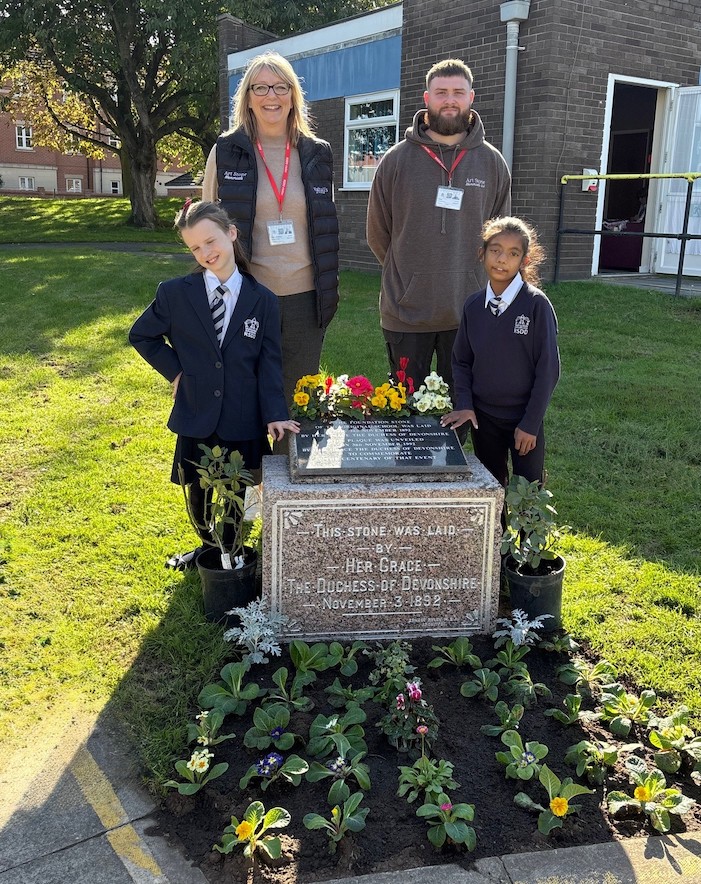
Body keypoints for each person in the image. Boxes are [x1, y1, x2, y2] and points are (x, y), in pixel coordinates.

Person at [129, 200, 299, 569]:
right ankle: (209, 546)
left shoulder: (263, 301)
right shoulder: (175, 294)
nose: (206, 252)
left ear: (231, 233)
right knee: (198, 492)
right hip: (197, 414)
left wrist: (275, 413)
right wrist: (176, 372)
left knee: (236, 489)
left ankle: (233, 549)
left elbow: (269, 363)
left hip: (242, 415)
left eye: (211, 241)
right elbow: (141, 335)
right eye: (195, 247)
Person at [202, 51, 339, 413]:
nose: (271, 96)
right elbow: (205, 228)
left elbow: (324, 225)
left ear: (293, 96)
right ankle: (251, 454)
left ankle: (289, 453)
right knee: (244, 398)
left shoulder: (317, 154)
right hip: (247, 294)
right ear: (247, 98)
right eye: (260, 88)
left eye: (280, 87)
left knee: (297, 403)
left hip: (305, 300)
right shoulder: (226, 152)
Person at [367, 58, 511, 398]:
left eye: (458, 92)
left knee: (461, 407)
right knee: (404, 409)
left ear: (471, 97)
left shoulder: (492, 162)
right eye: (441, 92)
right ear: (426, 98)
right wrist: (409, 277)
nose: (450, 100)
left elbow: (501, 240)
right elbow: (378, 232)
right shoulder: (396, 160)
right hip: (406, 312)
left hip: (469, 312)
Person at [440, 217, 560, 488]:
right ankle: (497, 520)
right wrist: (465, 404)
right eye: (495, 250)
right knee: (492, 488)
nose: (502, 259)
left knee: (529, 492)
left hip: (524, 418)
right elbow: (461, 361)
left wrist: (530, 423)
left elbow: (548, 370)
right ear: (482, 253)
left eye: (513, 253)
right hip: (484, 420)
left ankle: (528, 522)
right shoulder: (473, 306)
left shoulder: (536, 306)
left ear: (524, 261)